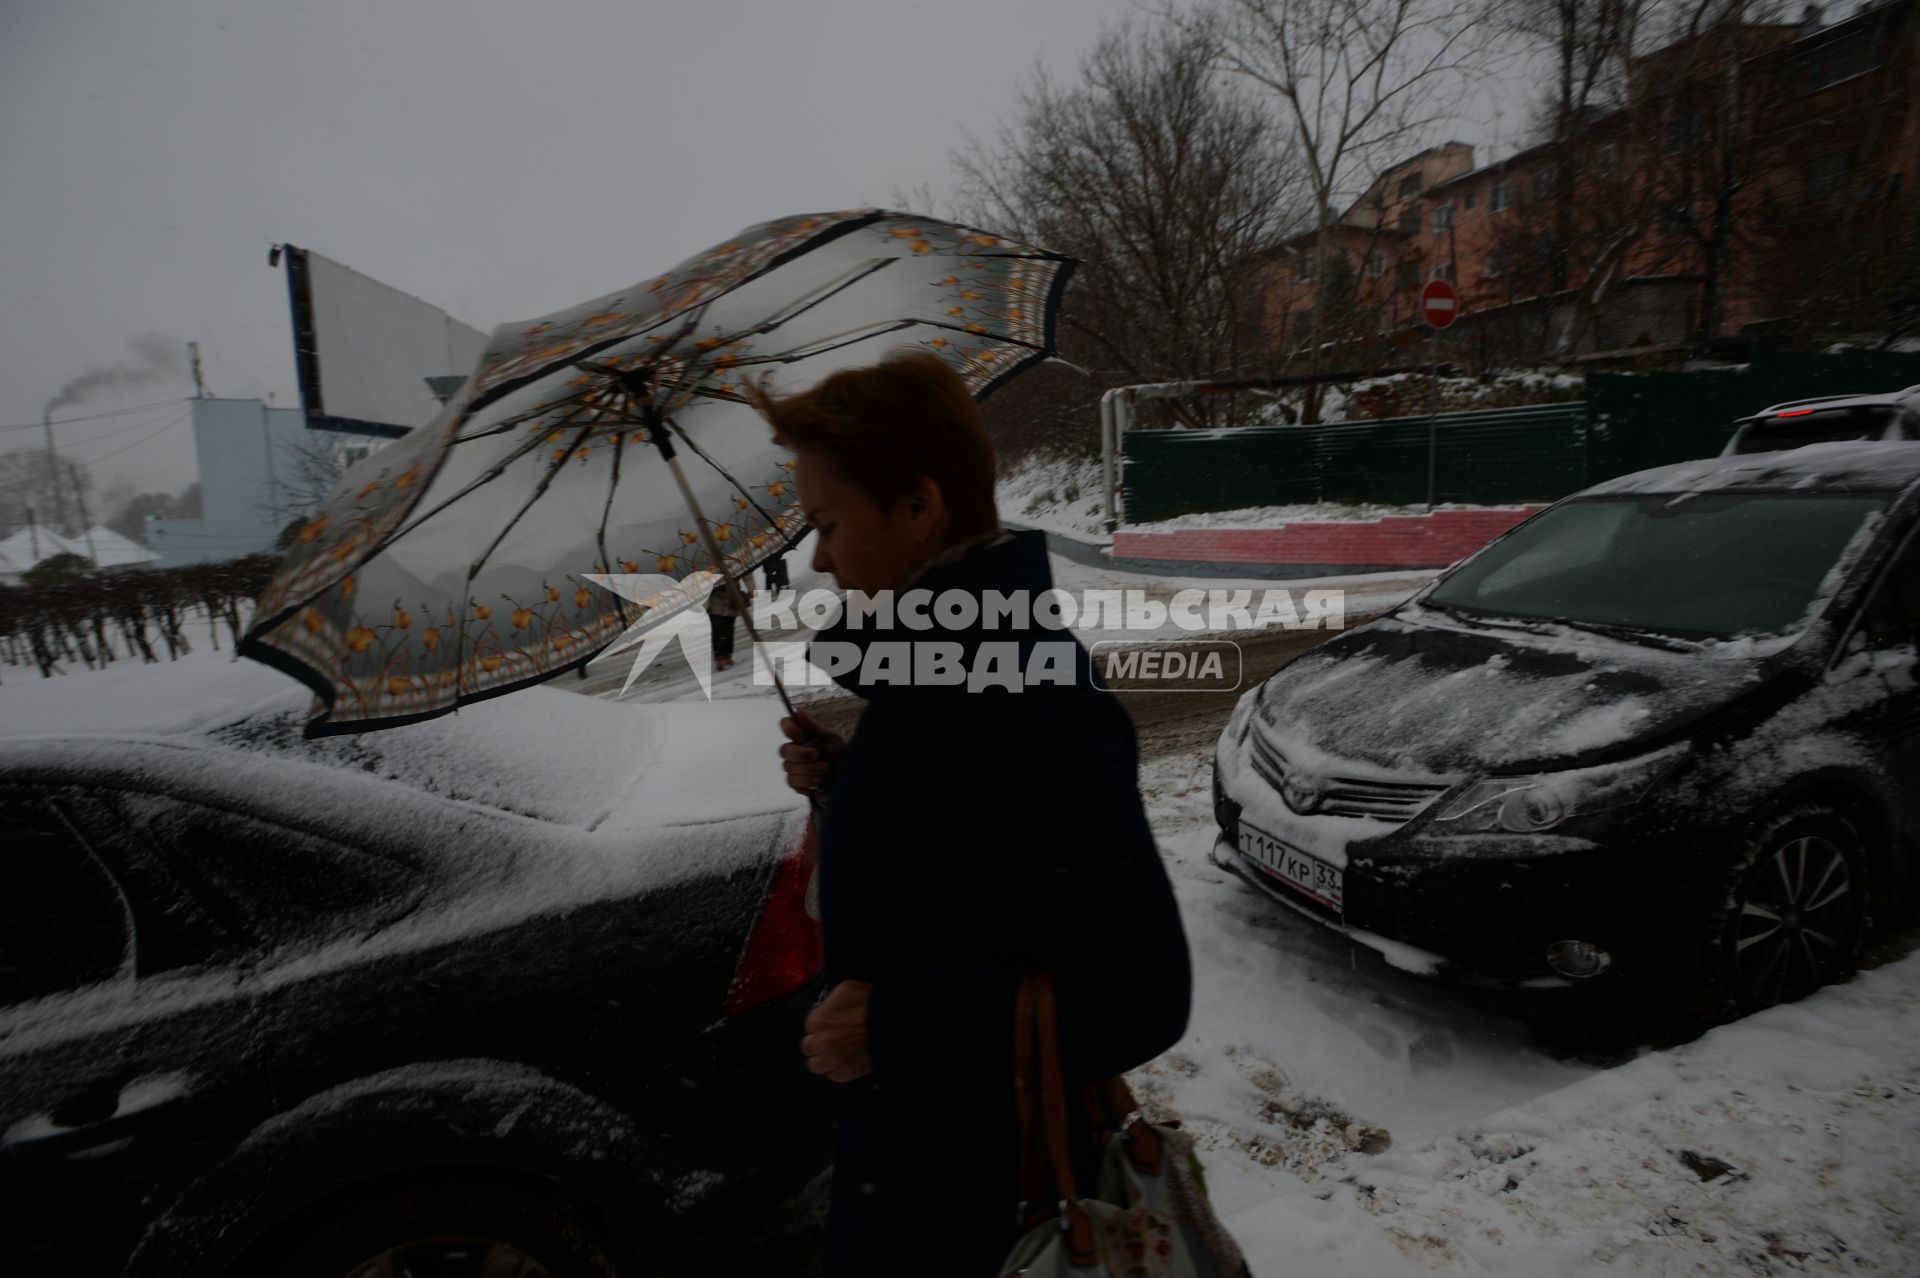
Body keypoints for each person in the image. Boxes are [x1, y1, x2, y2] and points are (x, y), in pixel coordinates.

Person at [746, 351, 1191, 1278]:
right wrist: (847, 780)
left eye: (828, 524)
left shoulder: (1029, 705)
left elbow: (1140, 992)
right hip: (923, 1172)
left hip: (989, 1208)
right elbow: (964, 853)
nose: (819, 558)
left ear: (918, 505)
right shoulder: (939, 670)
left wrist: (894, 1031)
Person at [706, 566, 751, 671]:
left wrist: (751, 589)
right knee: (718, 631)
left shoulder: (733, 561)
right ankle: (719, 658)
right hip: (715, 602)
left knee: (729, 630)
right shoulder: (707, 565)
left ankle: (727, 656)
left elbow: (747, 574)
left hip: (732, 601)